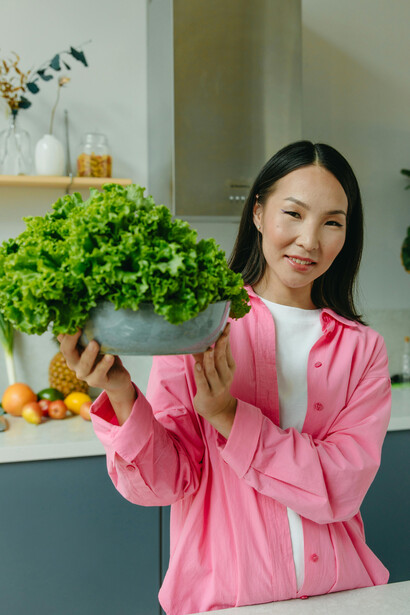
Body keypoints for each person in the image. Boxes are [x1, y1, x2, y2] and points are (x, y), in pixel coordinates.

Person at [58, 141, 391, 615]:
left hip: (344, 594)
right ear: (258, 212)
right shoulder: (198, 326)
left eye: (332, 222)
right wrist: (118, 392)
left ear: (346, 234)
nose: (309, 240)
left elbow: (341, 487)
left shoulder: (362, 349)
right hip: (226, 600)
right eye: (293, 214)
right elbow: (164, 484)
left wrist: (228, 416)